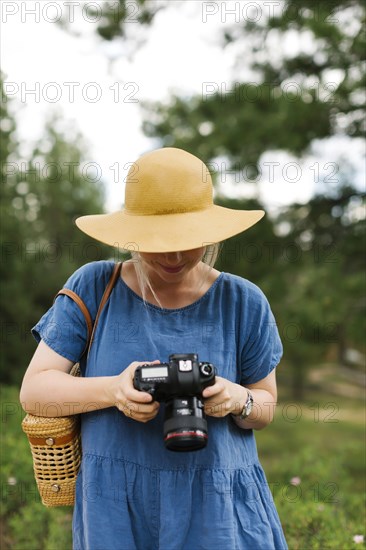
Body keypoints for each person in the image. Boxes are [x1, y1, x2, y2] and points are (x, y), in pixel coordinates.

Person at [20, 147, 288, 550]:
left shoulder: (243, 301)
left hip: (218, 509)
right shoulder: (93, 287)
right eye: (159, 240)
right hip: (115, 507)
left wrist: (237, 399)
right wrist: (114, 390)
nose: (175, 255)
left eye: (187, 239)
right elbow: (35, 391)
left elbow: (265, 406)